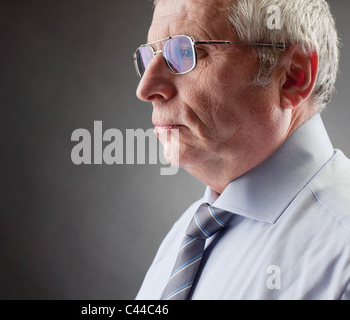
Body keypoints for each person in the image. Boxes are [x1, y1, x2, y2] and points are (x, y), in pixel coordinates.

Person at [133, 0, 349, 300]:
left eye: (186, 52)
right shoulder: (187, 233)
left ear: (293, 76)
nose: (146, 89)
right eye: (149, 56)